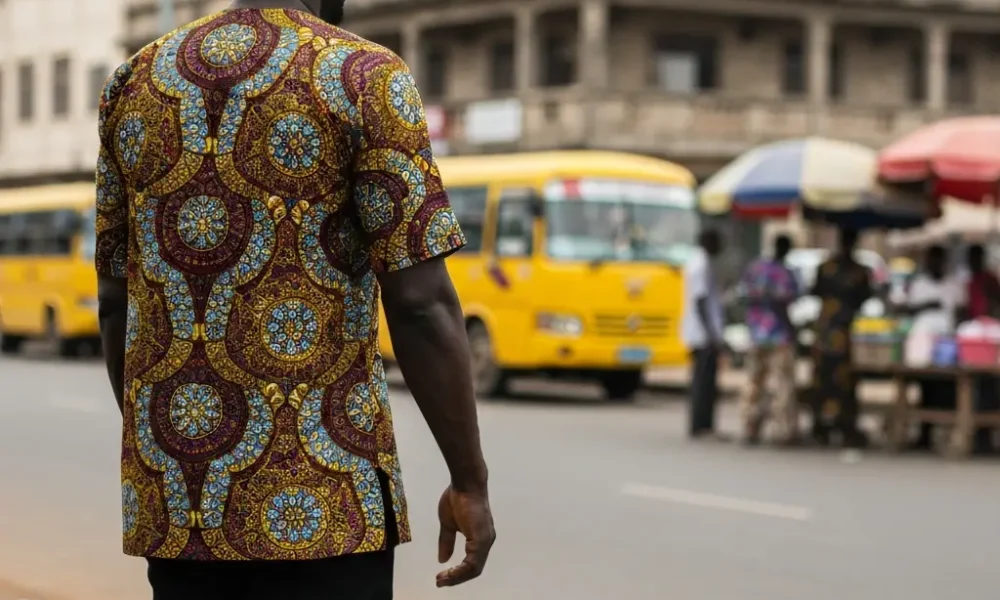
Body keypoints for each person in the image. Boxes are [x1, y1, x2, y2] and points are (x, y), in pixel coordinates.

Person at [95, 2, 495, 598]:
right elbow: (420, 303)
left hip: (182, 506)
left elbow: (113, 300)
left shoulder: (134, 82)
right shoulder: (362, 75)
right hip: (327, 503)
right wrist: (469, 480)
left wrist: (174, 455)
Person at [809, 228, 872, 448]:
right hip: (837, 331)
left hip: (833, 331)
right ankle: (829, 426)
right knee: (833, 382)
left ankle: (831, 425)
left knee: (833, 381)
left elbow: (814, 291)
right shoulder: (856, 271)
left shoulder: (830, 268)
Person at [739, 234, 801, 445]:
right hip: (779, 334)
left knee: (754, 381)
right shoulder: (785, 274)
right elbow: (787, 302)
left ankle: (750, 425)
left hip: (756, 333)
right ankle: (782, 430)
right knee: (782, 383)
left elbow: (743, 296)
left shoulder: (755, 269)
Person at [902, 245, 962, 450]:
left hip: (947, 344)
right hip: (923, 343)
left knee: (948, 389)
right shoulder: (919, 285)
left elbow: (962, 311)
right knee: (926, 388)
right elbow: (908, 309)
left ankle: (948, 435)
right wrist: (926, 306)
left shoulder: (954, 285)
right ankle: (924, 434)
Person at [682, 228, 726, 439]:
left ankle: (703, 424)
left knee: (706, 381)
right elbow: (699, 300)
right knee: (703, 382)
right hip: (702, 334)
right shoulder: (700, 264)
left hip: (702, 332)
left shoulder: (700, 261)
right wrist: (710, 334)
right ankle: (700, 425)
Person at [963, 244, 1000, 452]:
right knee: (977, 389)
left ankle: (986, 435)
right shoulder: (970, 282)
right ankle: (980, 435)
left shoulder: (989, 280)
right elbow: (967, 309)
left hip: (991, 339)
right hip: (975, 340)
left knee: (989, 390)